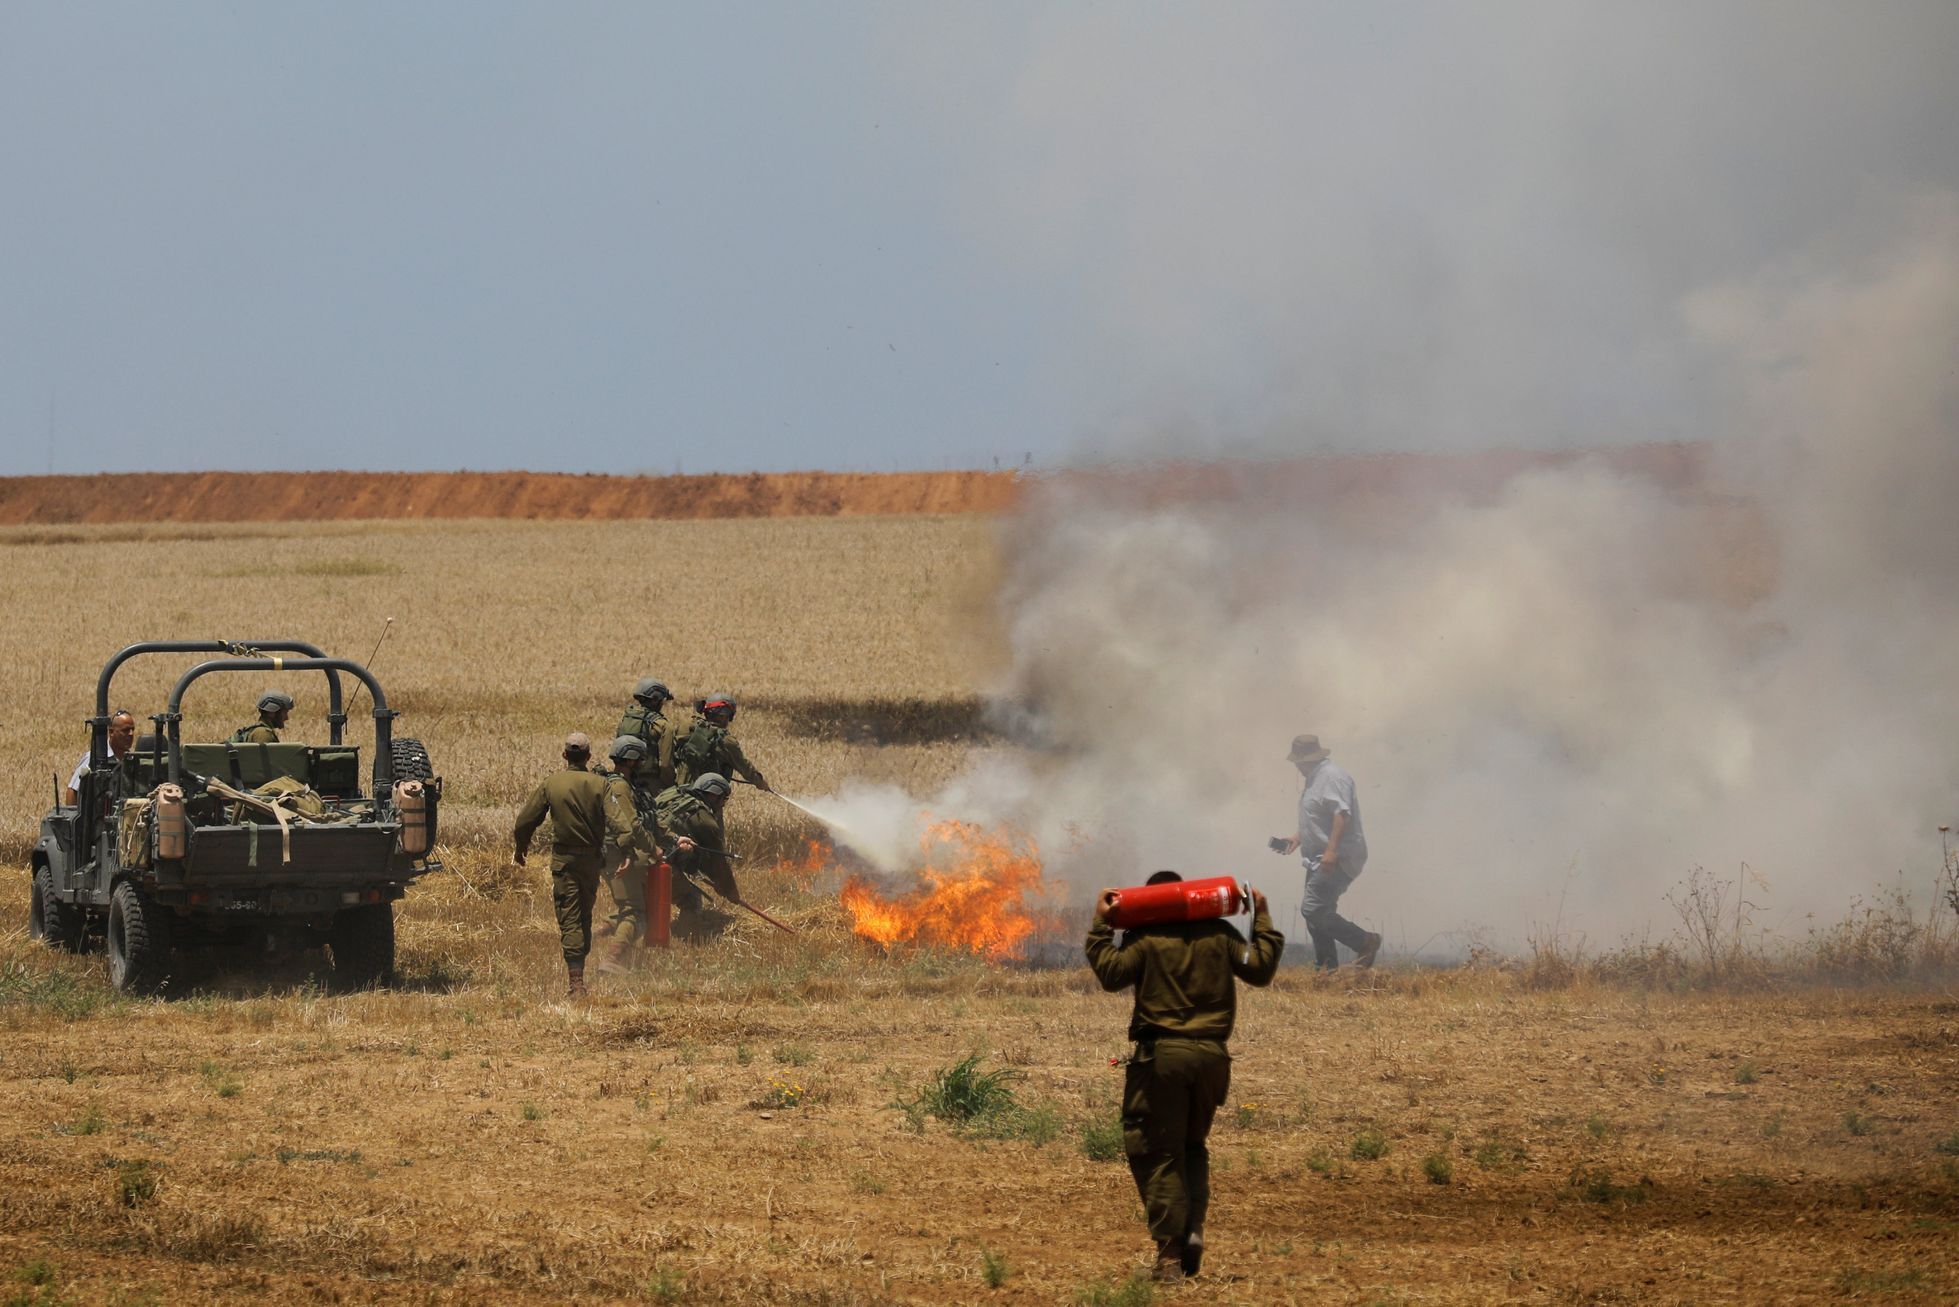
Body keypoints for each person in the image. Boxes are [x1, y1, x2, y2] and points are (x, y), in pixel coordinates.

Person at [1086, 870, 1284, 1283]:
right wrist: (1261, 916)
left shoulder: (1146, 939)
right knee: (1192, 1147)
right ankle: (1192, 1229)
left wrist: (1100, 926)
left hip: (1163, 1060)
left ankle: (1169, 1258)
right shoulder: (1219, 932)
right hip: (1213, 1059)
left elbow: (1111, 974)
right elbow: (1261, 968)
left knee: (1158, 1152)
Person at [512, 732, 630, 996]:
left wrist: (521, 847)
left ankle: (576, 982)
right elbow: (621, 824)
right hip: (591, 861)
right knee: (584, 915)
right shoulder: (601, 785)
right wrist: (628, 853)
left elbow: (524, 821)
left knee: (569, 917)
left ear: (565, 755)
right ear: (588, 757)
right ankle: (579, 973)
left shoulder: (551, 784)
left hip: (564, 861)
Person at [1274, 733, 1381, 970]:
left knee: (1313, 909)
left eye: (1298, 762)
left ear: (1306, 759)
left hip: (1337, 857)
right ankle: (1326, 970)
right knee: (1317, 916)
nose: (1297, 767)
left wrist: (1332, 851)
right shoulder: (1315, 778)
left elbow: (1341, 814)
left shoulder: (1332, 778)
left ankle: (1365, 941)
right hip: (1317, 858)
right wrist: (1297, 838)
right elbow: (1317, 817)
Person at [593, 735, 692, 971]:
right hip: (619, 854)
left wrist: (675, 838)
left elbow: (651, 821)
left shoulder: (629, 786)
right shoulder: (618, 787)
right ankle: (612, 960)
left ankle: (592, 937)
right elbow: (634, 824)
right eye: (641, 760)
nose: (644, 765)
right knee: (635, 913)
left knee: (637, 905)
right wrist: (655, 849)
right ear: (631, 761)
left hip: (626, 853)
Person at [654, 772, 740, 940]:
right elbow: (718, 864)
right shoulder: (705, 821)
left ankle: (601, 933)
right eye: (724, 799)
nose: (722, 805)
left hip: (634, 854)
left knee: (633, 907)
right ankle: (689, 941)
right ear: (713, 794)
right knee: (691, 899)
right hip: (659, 862)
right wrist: (731, 891)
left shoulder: (673, 794)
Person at [670, 694, 770, 792]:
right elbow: (744, 767)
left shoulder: (685, 728)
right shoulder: (726, 741)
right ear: (724, 716)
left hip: (678, 792)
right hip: (707, 796)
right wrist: (760, 782)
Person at [615, 676, 678, 794]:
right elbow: (665, 765)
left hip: (625, 781)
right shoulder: (663, 726)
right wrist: (671, 789)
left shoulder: (626, 719)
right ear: (655, 700)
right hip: (652, 784)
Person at [64, 709, 137, 805]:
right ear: (111, 732)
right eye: (125, 730)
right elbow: (72, 791)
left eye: (132, 729)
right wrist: (76, 818)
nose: (131, 734)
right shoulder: (93, 758)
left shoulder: (131, 760)